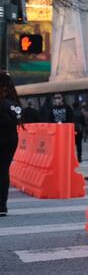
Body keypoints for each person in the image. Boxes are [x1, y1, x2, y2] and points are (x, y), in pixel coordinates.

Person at [0, 72, 23, 216]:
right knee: (3, 170)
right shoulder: (12, 103)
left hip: (5, 138)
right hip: (10, 139)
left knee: (2, 170)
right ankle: (2, 205)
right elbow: (18, 118)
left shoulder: (6, 103)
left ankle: (2, 204)